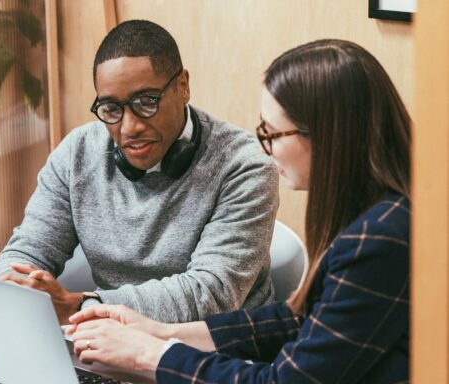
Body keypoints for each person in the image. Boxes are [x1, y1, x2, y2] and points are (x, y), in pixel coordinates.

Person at [68, 39, 411, 383]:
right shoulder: (381, 212)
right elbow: (302, 321)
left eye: (273, 133)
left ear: (328, 136)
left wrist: (149, 355)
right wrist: (161, 332)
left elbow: (283, 382)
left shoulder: (379, 240)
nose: (266, 148)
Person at [0, 20, 279, 325]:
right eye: (112, 109)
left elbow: (212, 294)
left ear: (183, 86)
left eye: (146, 102)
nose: (130, 128)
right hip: (112, 340)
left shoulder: (245, 164)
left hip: (217, 351)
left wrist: (82, 306)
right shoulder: (77, 153)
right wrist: (12, 288)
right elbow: (29, 249)